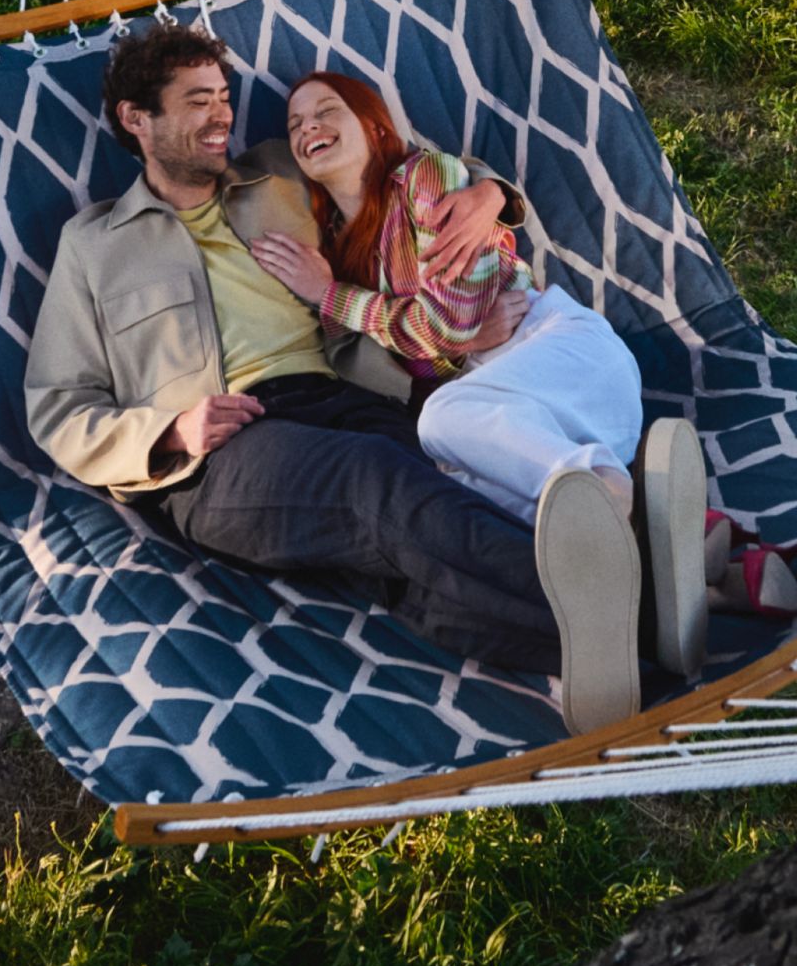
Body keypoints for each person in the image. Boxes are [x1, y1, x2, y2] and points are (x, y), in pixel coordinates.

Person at [22, 22, 646, 732]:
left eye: (223, 97)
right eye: (198, 101)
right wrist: (168, 428)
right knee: (376, 481)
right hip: (226, 449)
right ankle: (630, 608)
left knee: (440, 522)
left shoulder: (275, 174)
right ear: (138, 119)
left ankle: (622, 633)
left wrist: (489, 195)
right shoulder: (94, 243)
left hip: (346, 397)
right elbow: (57, 405)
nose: (222, 113)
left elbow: (390, 166)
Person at [248, 70, 709, 681]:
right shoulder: (341, 247)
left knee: (441, 421)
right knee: (454, 488)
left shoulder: (424, 178)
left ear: (374, 124)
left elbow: (445, 323)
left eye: (327, 110)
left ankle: (613, 496)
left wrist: (332, 298)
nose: (309, 128)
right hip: (527, 424)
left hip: (563, 357)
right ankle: (677, 576)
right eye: (295, 124)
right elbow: (442, 340)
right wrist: (440, 337)